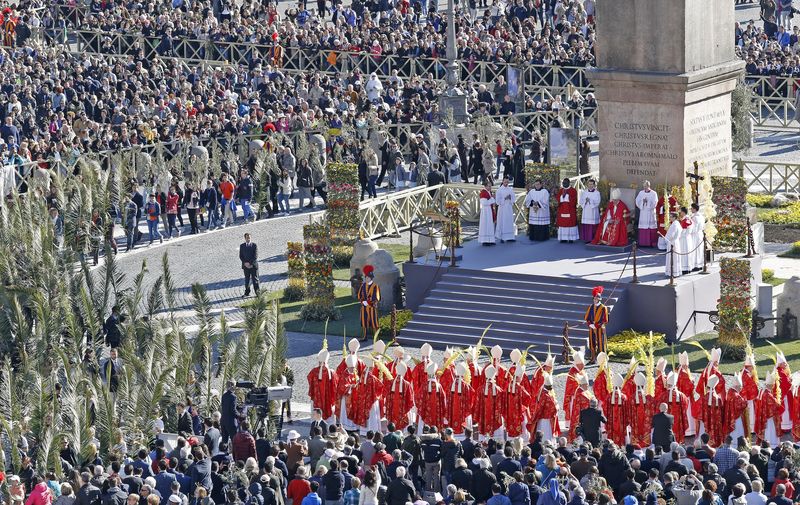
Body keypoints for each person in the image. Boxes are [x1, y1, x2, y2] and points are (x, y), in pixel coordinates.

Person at [584, 286, 608, 363]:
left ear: (599, 299)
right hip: (592, 328)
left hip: (600, 328)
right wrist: (590, 324)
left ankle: (602, 361)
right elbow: (587, 317)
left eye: (596, 299)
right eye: (594, 299)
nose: (595, 300)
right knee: (592, 343)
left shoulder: (603, 308)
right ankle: (593, 358)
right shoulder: (591, 307)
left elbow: (605, 320)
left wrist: (596, 325)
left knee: (601, 344)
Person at [357, 265, 380, 341]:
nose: (366, 279)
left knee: (374, 322)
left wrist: (368, 302)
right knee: (364, 321)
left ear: (371, 278)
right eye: (365, 277)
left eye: (367, 277)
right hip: (364, 307)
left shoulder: (375, 286)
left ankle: (376, 338)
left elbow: (376, 297)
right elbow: (359, 295)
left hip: (372, 307)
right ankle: (365, 337)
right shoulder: (363, 285)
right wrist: (362, 301)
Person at [635, 181, 658, 247]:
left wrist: (648, 203)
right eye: (644, 186)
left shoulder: (654, 193)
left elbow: (655, 203)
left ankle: (651, 243)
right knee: (643, 226)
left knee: (651, 227)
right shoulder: (641, 193)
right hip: (643, 212)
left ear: (649, 186)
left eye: (646, 186)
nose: (644, 188)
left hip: (650, 212)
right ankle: (643, 243)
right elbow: (637, 201)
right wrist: (642, 202)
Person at [555, 178, 578, 243]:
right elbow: (558, 199)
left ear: (569, 183)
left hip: (570, 210)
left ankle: (571, 238)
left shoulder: (573, 190)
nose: (563, 184)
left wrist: (568, 196)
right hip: (562, 210)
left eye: (565, 183)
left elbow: (574, 201)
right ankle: (563, 238)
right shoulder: (561, 190)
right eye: (563, 183)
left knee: (570, 224)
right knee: (562, 224)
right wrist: (561, 198)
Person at [494, 176, 516, 242]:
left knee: (509, 221)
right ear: (502, 181)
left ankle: (510, 237)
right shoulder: (499, 190)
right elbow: (497, 202)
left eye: (507, 182)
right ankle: (502, 237)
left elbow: (514, 197)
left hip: (509, 207)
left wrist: (511, 198)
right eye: (505, 182)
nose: (506, 183)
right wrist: (504, 198)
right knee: (502, 222)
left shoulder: (510, 189)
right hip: (502, 209)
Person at [662, 212, 684, 278]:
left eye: (671, 217)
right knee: (675, 258)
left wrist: (665, 238)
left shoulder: (674, 225)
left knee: (672, 257)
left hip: (672, 242)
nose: (670, 218)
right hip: (676, 242)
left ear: (674, 217)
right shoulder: (677, 223)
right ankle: (676, 272)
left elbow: (671, 235)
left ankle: (672, 272)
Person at [239, 233, 259, 297]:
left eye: (249, 237)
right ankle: (247, 292)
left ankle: (258, 293)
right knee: (247, 280)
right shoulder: (242, 246)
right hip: (246, 266)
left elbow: (255, 256)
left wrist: (250, 263)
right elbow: (241, 256)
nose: (248, 239)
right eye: (247, 238)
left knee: (255, 280)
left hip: (253, 265)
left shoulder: (254, 245)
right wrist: (245, 263)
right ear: (245, 238)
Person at [478, 179, 496, 245]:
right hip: (485, 211)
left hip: (489, 210)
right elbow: (484, 202)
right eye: (488, 186)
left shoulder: (488, 192)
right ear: (485, 186)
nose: (490, 188)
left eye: (490, 186)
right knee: (485, 225)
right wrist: (492, 198)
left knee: (490, 225)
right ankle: (485, 240)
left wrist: (492, 198)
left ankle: (490, 240)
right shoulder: (483, 192)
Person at [690, 203, 705, 271]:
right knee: (699, 249)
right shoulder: (701, 216)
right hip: (700, 234)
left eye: (692, 208)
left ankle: (696, 265)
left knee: (695, 249)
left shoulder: (695, 217)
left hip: (695, 234)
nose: (691, 209)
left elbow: (694, 228)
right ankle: (700, 264)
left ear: (695, 209)